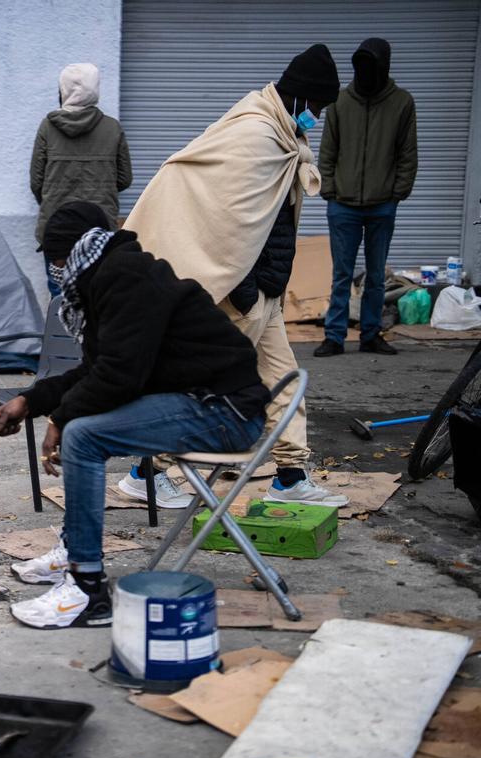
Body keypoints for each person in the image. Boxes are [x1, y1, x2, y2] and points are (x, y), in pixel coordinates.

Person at [0, 202, 270, 629]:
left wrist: (61, 419)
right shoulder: (107, 278)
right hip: (201, 401)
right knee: (81, 427)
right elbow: (95, 369)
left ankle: (87, 590)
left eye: (58, 260)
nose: (56, 270)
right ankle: (75, 549)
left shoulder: (125, 278)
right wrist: (31, 402)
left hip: (224, 411)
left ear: (80, 250)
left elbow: (120, 375)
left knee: (84, 435)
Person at [120, 44, 347, 508]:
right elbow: (223, 217)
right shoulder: (256, 135)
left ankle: (290, 475)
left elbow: (263, 219)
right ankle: (146, 472)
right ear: (302, 98)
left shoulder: (283, 136)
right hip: (239, 293)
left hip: (264, 290)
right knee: (204, 388)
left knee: (285, 380)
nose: (317, 118)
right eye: (317, 108)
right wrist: (241, 289)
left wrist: (267, 290)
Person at [316, 37, 417, 357]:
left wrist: (397, 193)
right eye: (360, 66)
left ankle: (371, 335)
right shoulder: (340, 103)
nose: (364, 72)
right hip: (342, 205)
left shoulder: (402, 103)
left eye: (371, 66)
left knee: (375, 275)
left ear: (383, 67)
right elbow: (327, 151)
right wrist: (329, 190)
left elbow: (407, 153)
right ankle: (334, 336)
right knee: (341, 275)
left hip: (382, 205)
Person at [30, 62, 133, 297]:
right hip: (99, 229)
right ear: (94, 89)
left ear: (63, 90)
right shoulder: (112, 128)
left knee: (60, 293)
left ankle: (61, 333)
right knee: (98, 292)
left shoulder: (48, 127)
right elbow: (125, 179)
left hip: (57, 228)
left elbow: (36, 182)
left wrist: (54, 204)